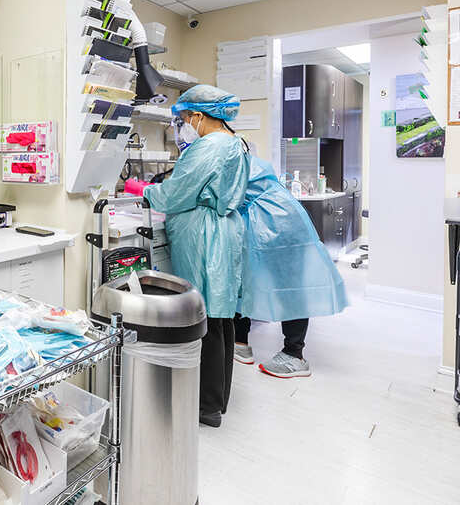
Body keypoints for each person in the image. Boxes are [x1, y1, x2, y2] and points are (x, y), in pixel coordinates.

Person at [143, 85, 250, 428]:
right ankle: (216, 402)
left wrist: (145, 191)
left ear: (199, 117)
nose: (182, 126)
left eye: (183, 119)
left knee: (205, 319)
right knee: (221, 317)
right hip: (223, 232)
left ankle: (204, 406)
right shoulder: (236, 142)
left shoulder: (208, 147)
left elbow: (177, 193)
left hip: (206, 237)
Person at [234, 156, 349, 378]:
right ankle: (240, 343)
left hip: (278, 225)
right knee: (243, 280)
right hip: (276, 217)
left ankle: (294, 355)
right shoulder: (247, 160)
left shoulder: (227, 161)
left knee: (289, 288)